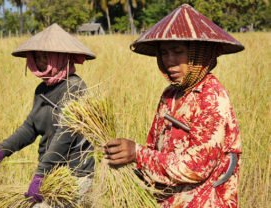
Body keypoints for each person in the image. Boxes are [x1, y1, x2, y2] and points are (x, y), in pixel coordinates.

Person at [104, 4, 244, 208]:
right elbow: (154, 146)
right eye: (164, 53)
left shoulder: (211, 97)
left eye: (177, 52)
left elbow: (195, 167)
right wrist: (128, 166)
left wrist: (137, 154)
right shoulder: (170, 95)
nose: (169, 61)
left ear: (198, 54)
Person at [0, 23, 95, 204]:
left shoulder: (75, 87)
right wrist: (2, 150)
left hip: (74, 174)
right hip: (51, 172)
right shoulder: (42, 89)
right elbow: (30, 127)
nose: (41, 63)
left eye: (45, 57)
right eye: (37, 57)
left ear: (60, 57)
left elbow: (65, 134)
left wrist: (42, 173)